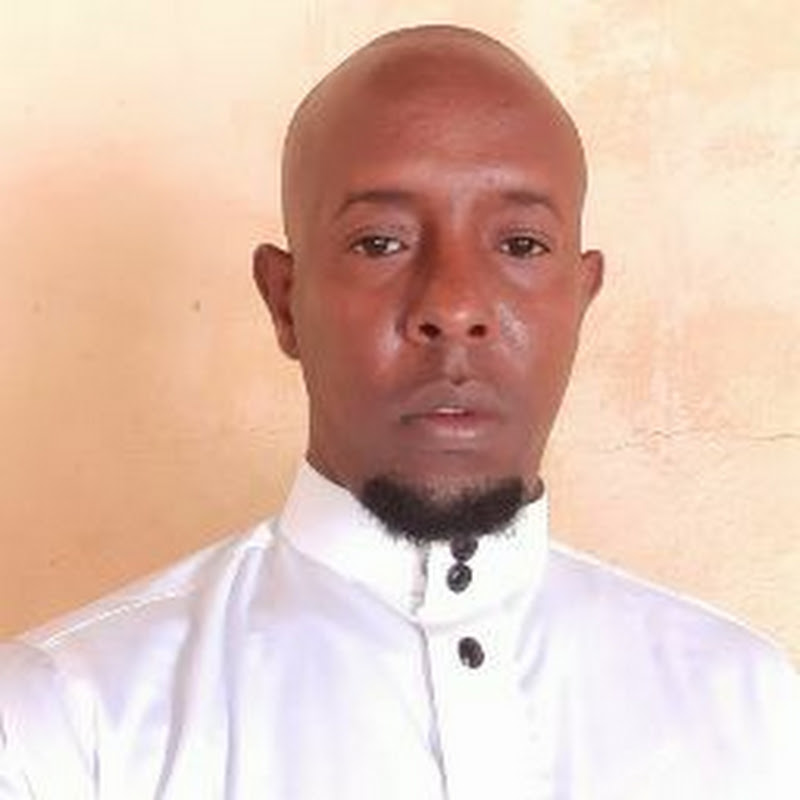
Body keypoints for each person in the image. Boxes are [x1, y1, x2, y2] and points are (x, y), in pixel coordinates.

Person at [0, 24, 797, 800]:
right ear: (284, 301)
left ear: (580, 300)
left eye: (521, 245)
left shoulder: (754, 714)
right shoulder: (61, 727)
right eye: (380, 243)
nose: (453, 306)